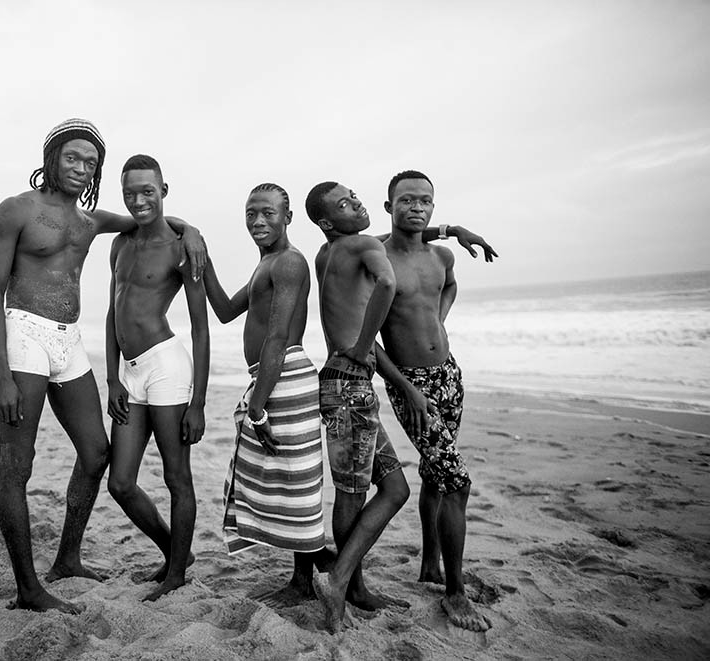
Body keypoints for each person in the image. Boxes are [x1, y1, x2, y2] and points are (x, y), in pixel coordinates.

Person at [0, 118, 205, 613]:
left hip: (69, 341)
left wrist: (194, 231)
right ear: (51, 159)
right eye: (72, 158)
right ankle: (28, 587)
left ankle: (68, 558)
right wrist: (1, 376)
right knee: (18, 462)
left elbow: (152, 218)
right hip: (25, 336)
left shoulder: (92, 222)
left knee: (97, 452)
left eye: (91, 163)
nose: (82, 169)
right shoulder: (17, 210)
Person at [305, 181, 497, 633]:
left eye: (355, 196)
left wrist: (453, 231)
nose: (357, 203)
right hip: (358, 383)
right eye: (346, 203)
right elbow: (388, 274)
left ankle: (369, 578)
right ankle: (352, 581)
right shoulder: (367, 249)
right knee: (447, 483)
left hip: (387, 381)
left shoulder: (333, 250)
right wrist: (364, 347)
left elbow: (411, 244)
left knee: (401, 486)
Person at [203, 183, 334, 605]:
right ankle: (314, 570)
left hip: (284, 377)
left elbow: (277, 337)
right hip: (269, 377)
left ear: (287, 217)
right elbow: (224, 310)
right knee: (285, 480)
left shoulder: (290, 263)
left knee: (296, 481)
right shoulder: (267, 265)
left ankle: (311, 578)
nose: (258, 221)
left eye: (268, 213)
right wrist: (200, 254)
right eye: (250, 214)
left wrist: (257, 407)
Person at [379, 170, 492, 632]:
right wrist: (407, 390)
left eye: (425, 200)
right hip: (410, 384)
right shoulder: (376, 257)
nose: (416, 207)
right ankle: (455, 593)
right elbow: (368, 342)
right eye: (406, 200)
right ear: (389, 207)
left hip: (448, 374)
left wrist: (441, 321)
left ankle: (430, 564)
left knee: (438, 475)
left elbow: (448, 286)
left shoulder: (442, 256)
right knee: (458, 481)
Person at [104, 154, 210, 602]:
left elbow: (202, 328)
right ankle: (176, 552)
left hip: (167, 366)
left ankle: (176, 576)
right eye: (130, 193)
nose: (139, 200)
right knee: (121, 482)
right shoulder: (120, 244)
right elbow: (112, 313)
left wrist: (199, 402)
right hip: (129, 373)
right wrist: (111, 379)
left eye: (148, 191)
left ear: (163, 191)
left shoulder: (182, 247)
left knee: (175, 476)